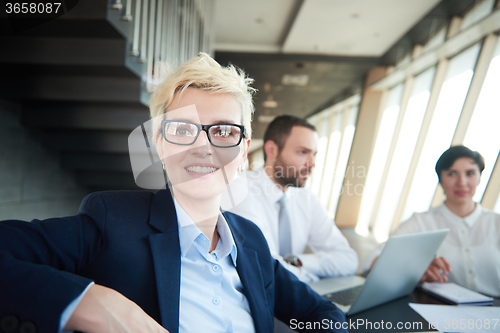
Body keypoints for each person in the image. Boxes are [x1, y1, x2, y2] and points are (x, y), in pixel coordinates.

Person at [0, 54, 347, 332]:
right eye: (183, 129)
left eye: (224, 131)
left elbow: (322, 312)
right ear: (159, 145)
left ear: (243, 152)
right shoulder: (111, 221)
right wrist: (88, 301)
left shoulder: (250, 240)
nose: (203, 147)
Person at [221, 115, 358, 283]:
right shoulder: (239, 189)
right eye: (302, 152)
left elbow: (348, 259)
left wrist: (297, 261)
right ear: (272, 150)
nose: (312, 163)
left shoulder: (307, 199)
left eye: (314, 154)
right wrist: (312, 277)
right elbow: (267, 268)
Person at [369, 145, 500, 297]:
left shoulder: (496, 223)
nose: (462, 182)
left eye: (470, 173)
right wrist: (413, 267)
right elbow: (373, 258)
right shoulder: (420, 222)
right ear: (440, 180)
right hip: (441, 309)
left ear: (479, 178)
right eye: (452, 173)